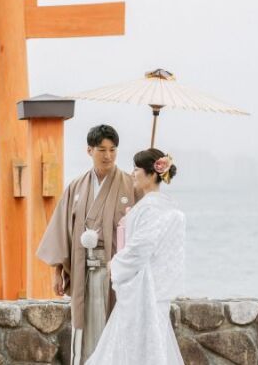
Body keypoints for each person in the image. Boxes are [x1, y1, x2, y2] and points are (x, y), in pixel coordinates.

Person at [37, 125, 143, 365]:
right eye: (102, 150)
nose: (108, 156)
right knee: (85, 331)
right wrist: (57, 273)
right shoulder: (76, 186)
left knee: (114, 329)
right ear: (89, 150)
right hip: (82, 270)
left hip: (117, 275)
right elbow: (62, 230)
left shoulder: (131, 186)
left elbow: (144, 231)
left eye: (113, 150)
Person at [85, 149, 185, 365]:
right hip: (157, 289)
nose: (132, 173)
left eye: (136, 168)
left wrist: (116, 264)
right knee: (148, 346)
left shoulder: (150, 208)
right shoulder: (167, 207)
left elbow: (140, 248)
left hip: (143, 291)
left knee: (130, 348)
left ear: (151, 174)